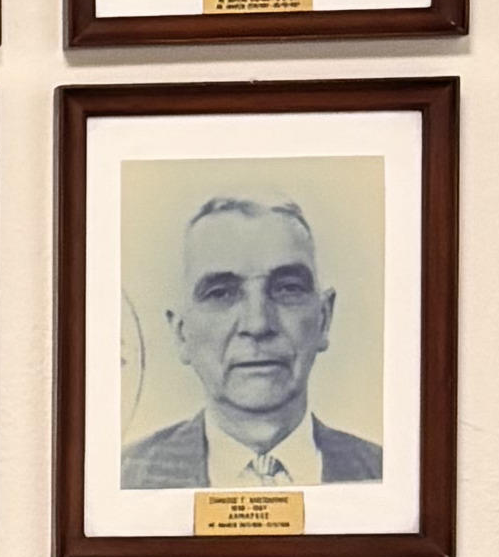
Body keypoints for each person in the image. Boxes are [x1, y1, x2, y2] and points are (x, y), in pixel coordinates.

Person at [123, 187, 379, 491]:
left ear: (324, 319)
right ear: (181, 332)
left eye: (288, 288)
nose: (258, 325)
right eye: (221, 293)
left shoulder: (388, 475)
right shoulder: (123, 477)